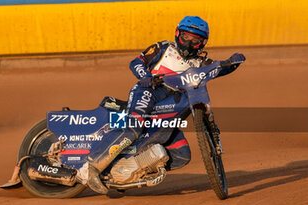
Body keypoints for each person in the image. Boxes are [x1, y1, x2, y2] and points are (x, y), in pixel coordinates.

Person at [77, 16, 246, 194]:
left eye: (195, 40)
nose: (189, 43)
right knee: (133, 127)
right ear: (177, 35)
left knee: (182, 155)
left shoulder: (201, 63)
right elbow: (136, 62)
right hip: (149, 90)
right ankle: (90, 168)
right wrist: (146, 77)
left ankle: (127, 172)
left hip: (173, 102)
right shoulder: (163, 47)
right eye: (186, 37)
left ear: (202, 43)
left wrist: (232, 62)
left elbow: (218, 68)